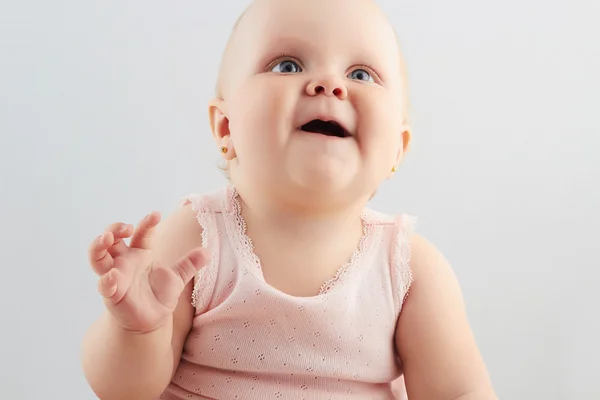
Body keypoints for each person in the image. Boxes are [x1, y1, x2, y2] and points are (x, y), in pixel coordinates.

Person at [81, 0, 498, 398]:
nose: (329, 85)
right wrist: (136, 331)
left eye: (361, 74)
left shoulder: (409, 270)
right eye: (288, 65)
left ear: (397, 149)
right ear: (226, 127)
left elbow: (460, 393)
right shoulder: (198, 240)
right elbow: (123, 391)